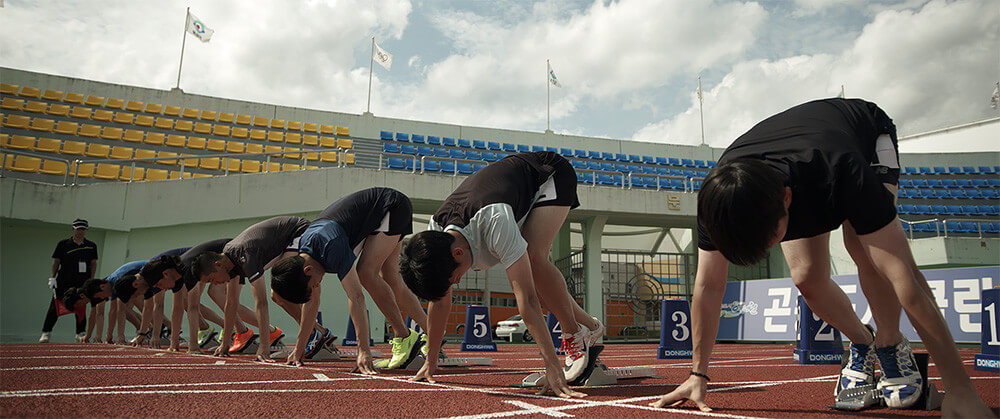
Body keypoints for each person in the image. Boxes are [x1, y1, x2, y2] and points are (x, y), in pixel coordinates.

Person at [650, 98, 992, 417]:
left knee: (864, 250)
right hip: (794, 163)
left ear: (787, 201)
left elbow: (906, 277)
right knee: (807, 279)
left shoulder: (841, 170)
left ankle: (890, 343)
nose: (769, 248)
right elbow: (709, 287)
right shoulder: (719, 202)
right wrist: (699, 373)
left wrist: (960, 388)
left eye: (771, 238)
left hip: (864, 139)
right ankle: (863, 342)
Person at [400, 151, 604, 398]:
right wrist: (430, 361)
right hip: (509, 186)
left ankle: (574, 334)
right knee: (539, 287)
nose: (456, 282)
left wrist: (552, 367)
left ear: (457, 253)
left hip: (550, 173)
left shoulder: (494, 220)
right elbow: (440, 303)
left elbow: (526, 301)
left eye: (452, 279)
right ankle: (590, 326)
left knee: (534, 260)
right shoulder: (434, 235)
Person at [270, 187, 428, 372]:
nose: (317, 286)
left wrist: (364, 351)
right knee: (391, 279)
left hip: (390, 205)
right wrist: (299, 348)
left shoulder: (330, 246)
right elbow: (311, 304)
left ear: (308, 270)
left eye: (314, 285)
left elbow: (356, 297)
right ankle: (431, 334)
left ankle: (406, 336)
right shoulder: (306, 258)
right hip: (375, 215)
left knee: (366, 273)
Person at [191, 216, 309, 362]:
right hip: (281, 242)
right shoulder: (229, 261)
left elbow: (261, 303)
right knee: (277, 295)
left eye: (211, 279)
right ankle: (315, 331)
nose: (214, 283)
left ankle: (313, 332)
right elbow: (231, 303)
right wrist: (225, 342)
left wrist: (264, 347)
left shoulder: (245, 256)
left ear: (218, 265)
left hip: (298, 230)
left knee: (280, 289)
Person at [140, 238, 284, 354]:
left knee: (226, 300)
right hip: (219, 261)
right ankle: (250, 331)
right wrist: (174, 343)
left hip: (233, 258)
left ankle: (265, 331)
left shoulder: (187, 268)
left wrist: (193, 346)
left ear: (165, 274)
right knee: (217, 297)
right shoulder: (176, 276)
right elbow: (178, 308)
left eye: (159, 284)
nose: (161, 289)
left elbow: (193, 307)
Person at [40, 218, 98, 343]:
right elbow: (56, 261)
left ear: (86, 230)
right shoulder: (63, 244)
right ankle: (46, 332)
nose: (80, 231)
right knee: (55, 306)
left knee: (81, 306)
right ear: (73, 229)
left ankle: (80, 333)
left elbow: (93, 264)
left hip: (82, 282)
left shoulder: (91, 246)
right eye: (78, 229)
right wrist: (52, 277)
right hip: (63, 280)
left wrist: (91, 280)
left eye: (83, 229)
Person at [60, 278, 113, 343]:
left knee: (120, 310)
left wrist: (99, 337)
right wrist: (88, 336)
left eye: (78, 304)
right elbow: (92, 316)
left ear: (81, 296)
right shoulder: (89, 294)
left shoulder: (92, 291)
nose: (81, 306)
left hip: (120, 284)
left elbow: (99, 313)